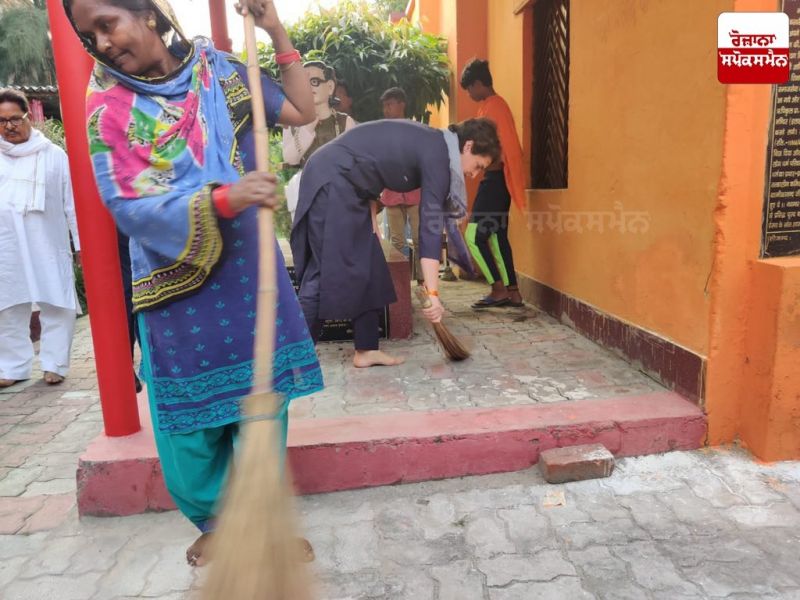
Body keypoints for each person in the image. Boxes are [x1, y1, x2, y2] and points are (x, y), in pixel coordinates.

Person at [64, 0, 323, 566]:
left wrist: (274, 28)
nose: (102, 44)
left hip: (249, 273)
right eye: (90, 37)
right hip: (173, 282)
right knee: (187, 425)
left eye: (107, 24)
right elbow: (127, 206)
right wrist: (227, 197)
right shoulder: (108, 109)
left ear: (150, 15)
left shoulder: (225, 74)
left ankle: (264, 517)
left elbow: (303, 109)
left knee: (261, 403)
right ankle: (216, 521)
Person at [291, 118, 500, 367]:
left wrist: (370, 212)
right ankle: (295, 357)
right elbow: (430, 230)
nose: (474, 174)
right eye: (478, 165)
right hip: (332, 180)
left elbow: (374, 159)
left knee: (369, 263)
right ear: (468, 146)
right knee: (325, 268)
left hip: (353, 188)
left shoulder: (436, 145)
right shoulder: (438, 155)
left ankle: (366, 350)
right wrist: (433, 294)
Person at [0, 88, 81, 388]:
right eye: (2, 121)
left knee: (56, 302)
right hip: (6, 244)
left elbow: (72, 203)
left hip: (47, 241)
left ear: (28, 117)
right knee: (7, 306)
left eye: (15, 119)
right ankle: (13, 367)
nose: (9, 126)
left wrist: (81, 245)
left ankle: (55, 364)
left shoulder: (54, 156)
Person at [460, 58, 526, 308]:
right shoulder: (492, 106)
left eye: (469, 88)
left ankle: (498, 290)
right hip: (497, 181)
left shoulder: (494, 107)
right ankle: (514, 293)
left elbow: (498, 151)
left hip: (496, 180)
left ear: (479, 84)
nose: (469, 93)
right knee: (498, 238)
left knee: (473, 235)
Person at [282, 61, 355, 222]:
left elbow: (353, 163)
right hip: (306, 196)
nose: (310, 87)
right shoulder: (293, 122)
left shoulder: (345, 122)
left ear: (330, 87)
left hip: (339, 197)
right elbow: (289, 158)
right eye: (305, 83)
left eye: (315, 82)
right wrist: (307, 127)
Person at [378, 87, 422, 285]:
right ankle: (400, 285)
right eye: (384, 106)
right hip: (392, 192)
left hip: (415, 193)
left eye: (390, 105)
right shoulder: (383, 131)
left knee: (420, 239)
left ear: (402, 104)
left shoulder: (416, 129)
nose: (386, 109)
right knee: (397, 242)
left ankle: (423, 282)